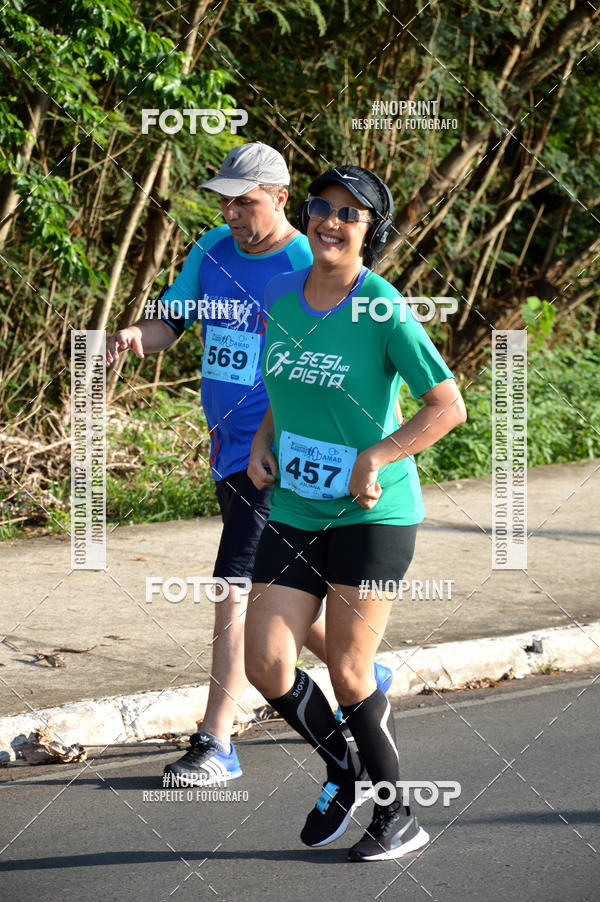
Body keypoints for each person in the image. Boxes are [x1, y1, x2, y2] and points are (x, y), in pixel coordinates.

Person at [105, 144, 393, 786]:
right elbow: (171, 323)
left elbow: (336, 362)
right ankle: (367, 675)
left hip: (277, 459)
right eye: (225, 200)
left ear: (282, 198)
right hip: (225, 448)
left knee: (232, 591)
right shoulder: (211, 249)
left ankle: (217, 743)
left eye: (246, 200)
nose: (232, 211)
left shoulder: (306, 262)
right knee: (271, 600)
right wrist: (135, 336)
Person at [245, 165, 467, 861]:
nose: (330, 221)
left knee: (347, 669)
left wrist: (376, 456)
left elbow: (446, 407)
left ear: (371, 233)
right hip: (297, 506)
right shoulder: (282, 299)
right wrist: (260, 442)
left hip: (373, 516)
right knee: (267, 664)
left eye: (350, 214)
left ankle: (398, 815)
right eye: (322, 207)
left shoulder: (382, 307)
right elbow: (283, 386)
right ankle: (342, 765)